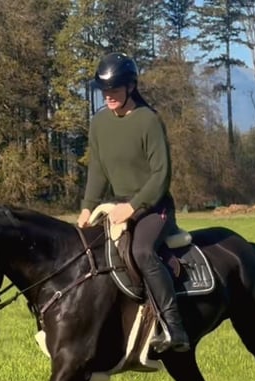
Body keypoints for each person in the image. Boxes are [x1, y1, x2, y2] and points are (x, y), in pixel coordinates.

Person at [77, 52, 189, 353]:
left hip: (155, 207)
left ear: (130, 87)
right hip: (116, 208)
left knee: (141, 251)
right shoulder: (99, 123)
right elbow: (98, 170)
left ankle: (174, 328)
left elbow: (161, 174)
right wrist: (88, 206)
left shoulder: (148, 120)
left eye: (115, 89)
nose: (109, 95)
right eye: (104, 90)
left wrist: (134, 207)